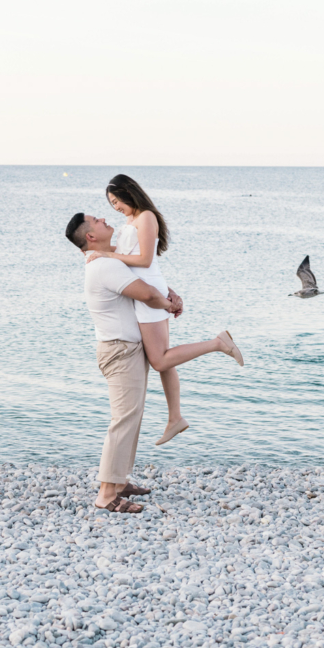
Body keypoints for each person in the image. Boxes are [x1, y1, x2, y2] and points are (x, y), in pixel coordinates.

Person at [84, 174, 244, 446]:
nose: (115, 208)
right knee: (165, 360)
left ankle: (219, 343)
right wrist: (96, 252)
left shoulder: (147, 217)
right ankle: (175, 418)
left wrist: (108, 255)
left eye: (116, 201)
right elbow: (129, 258)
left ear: (128, 193)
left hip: (147, 293)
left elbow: (145, 260)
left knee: (159, 360)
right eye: (111, 204)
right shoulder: (130, 221)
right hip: (145, 290)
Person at [65, 212, 180, 513]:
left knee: (132, 417)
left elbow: (147, 276)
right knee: (123, 420)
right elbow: (146, 293)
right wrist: (168, 304)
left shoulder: (108, 260)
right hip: (120, 350)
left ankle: (119, 482)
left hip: (125, 348)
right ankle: (106, 495)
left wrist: (169, 294)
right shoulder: (104, 266)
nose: (103, 218)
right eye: (96, 220)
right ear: (90, 236)